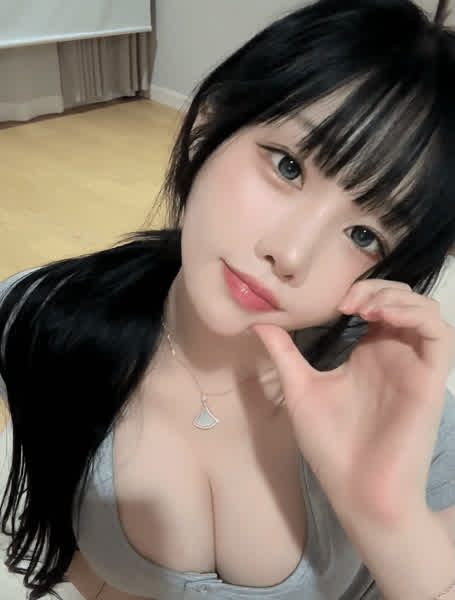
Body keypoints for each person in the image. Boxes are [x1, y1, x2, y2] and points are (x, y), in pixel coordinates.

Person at [1, 0, 455, 598]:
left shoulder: (408, 414)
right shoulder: (43, 314)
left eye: (364, 235)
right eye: (288, 167)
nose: (290, 254)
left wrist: (391, 524)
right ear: (210, 124)